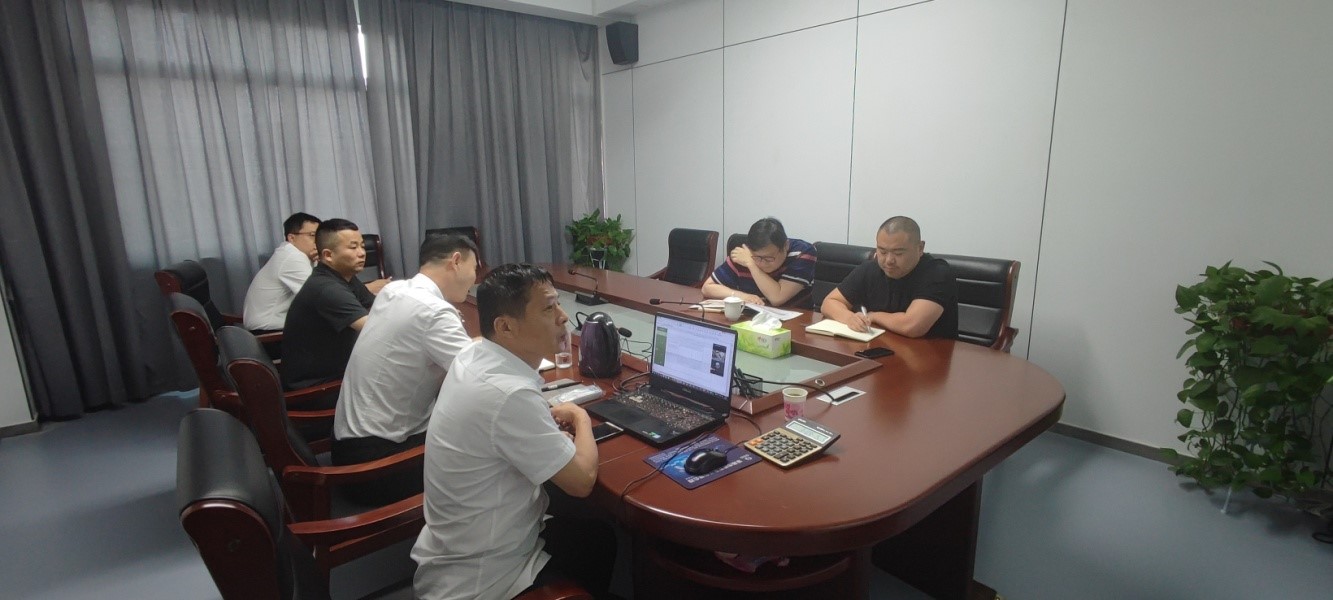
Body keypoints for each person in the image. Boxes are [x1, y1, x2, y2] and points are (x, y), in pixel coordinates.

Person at [412, 264, 615, 600]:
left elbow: (500, 422)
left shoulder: (472, 355)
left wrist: (539, 426)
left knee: (595, 538)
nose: (563, 317)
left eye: (558, 304)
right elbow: (582, 481)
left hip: (456, 547)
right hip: (485, 577)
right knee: (596, 537)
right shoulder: (508, 394)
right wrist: (580, 418)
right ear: (505, 326)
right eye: (548, 308)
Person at [332, 234, 480, 506]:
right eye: (474, 268)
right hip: (378, 466)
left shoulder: (394, 291)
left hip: (349, 447)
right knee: (491, 445)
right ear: (456, 261)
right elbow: (478, 379)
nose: (475, 279)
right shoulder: (434, 311)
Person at [820, 216, 959, 339]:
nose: (888, 260)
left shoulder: (937, 273)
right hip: (878, 346)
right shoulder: (871, 268)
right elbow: (829, 302)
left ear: (920, 248)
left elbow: (912, 326)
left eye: (898, 253)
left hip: (929, 354)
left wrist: (873, 316)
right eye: (882, 251)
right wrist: (850, 318)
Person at [281, 218, 377, 390]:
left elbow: (376, 307)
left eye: (362, 246)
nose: (362, 253)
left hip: (341, 371)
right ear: (328, 255)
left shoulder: (345, 277)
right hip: (317, 387)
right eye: (353, 247)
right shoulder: (326, 289)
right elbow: (374, 328)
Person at [702, 217, 817, 307]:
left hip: (796, 321)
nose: (762, 263)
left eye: (769, 258)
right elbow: (707, 288)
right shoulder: (745, 254)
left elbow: (777, 298)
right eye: (757, 257)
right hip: (752, 319)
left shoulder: (803, 253)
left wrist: (751, 265)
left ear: (785, 246)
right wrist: (741, 296)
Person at [242, 213, 320, 331]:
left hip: (278, 323)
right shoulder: (292, 257)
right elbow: (319, 296)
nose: (318, 241)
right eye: (312, 235)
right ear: (292, 238)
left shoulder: (293, 254)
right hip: (268, 330)